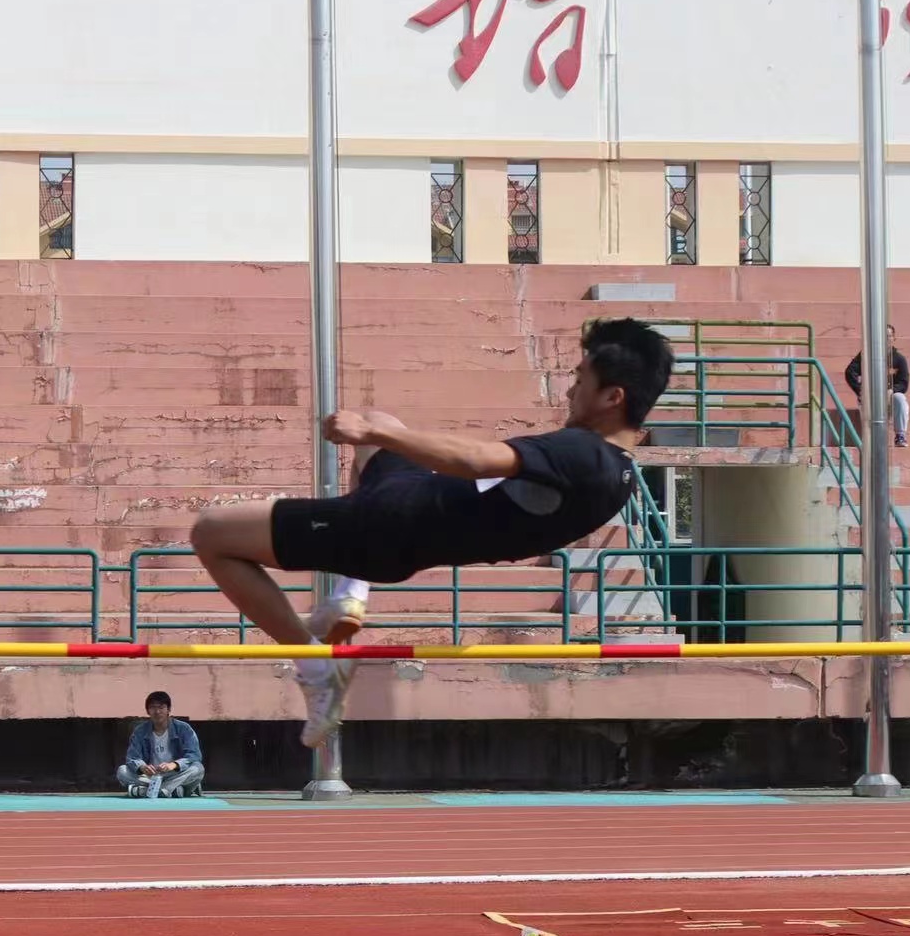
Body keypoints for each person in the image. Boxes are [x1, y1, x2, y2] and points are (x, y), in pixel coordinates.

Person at [190, 317, 672, 748]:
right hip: (412, 502)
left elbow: (475, 460)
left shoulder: (582, 452)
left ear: (612, 397)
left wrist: (370, 435)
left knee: (211, 534)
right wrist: (379, 434)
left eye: (580, 380)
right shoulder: (619, 478)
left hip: (384, 527)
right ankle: (350, 593)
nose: (569, 392)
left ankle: (316, 669)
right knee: (382, 418)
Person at [115, 691, 205, 799]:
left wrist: (174, 765)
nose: (157, 711)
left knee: (198, 768)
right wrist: (143, 767)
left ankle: (148, 791)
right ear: (148, 711)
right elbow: (132, 757)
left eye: (161, 707)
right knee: (122, 771)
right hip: (151, 777)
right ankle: (174, 790)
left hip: (175, 773)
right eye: (153, 707)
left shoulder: (184, 729)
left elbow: (194, 755)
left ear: (168, 709)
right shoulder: (140, 731)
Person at [845, 324, 910, 448]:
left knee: (900, 398)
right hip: (871, 397)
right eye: (883, 336)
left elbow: (904, 383)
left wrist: (892, 390)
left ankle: (900, 435)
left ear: (894, 338)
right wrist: (860, 390)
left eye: (889, 336)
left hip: (889, 399)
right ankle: (869, 437)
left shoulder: (899, 359)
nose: (886, 339)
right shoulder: (867, 355)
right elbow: (850, 372)